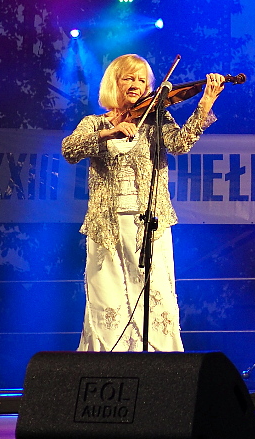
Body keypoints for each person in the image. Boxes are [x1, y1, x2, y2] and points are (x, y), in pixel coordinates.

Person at [62, 54, 225, 352]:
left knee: (155, 293)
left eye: (141, 80)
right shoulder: (95, 123)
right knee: (106, 295)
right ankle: (107, 363)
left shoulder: (155, 119)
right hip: (105, 225)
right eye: (129, 78)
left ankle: (157, 363)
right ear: (115, 83)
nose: (136, 84)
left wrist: (205, 103)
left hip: (149, 223)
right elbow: (70, 149)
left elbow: (180, 144)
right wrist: (109, 132)